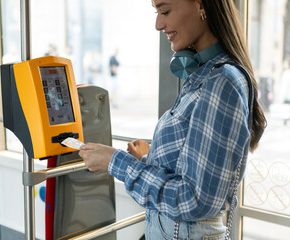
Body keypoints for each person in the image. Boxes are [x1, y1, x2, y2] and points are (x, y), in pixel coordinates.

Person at [78, 0, 267, 239]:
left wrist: (116, 163)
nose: (158, 24)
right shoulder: (205, 73)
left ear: (201, 6)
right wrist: (149, 158)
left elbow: (195, 200)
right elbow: (191, 168)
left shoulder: (221, 82)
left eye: (165, 11)